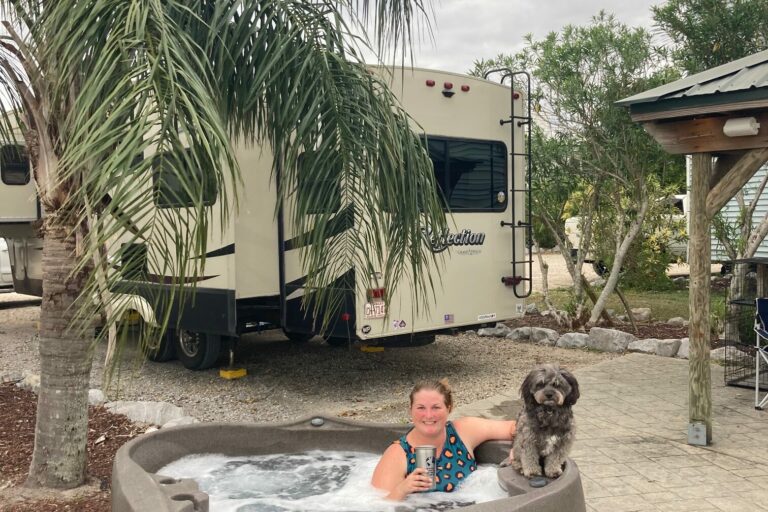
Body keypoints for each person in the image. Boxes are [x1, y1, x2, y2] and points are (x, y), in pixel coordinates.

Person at [371, 378, 516, 501]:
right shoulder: (397, 454)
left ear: (449, 408)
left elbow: (514, 427)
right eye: (421, 408)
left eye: (436, 407)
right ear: (411, 410)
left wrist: (519, 448)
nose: (428, 415)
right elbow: (375, 506)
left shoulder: (464, 431)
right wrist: (402, 489)